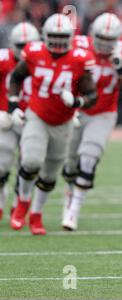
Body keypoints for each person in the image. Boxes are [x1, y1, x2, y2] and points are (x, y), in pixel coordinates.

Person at [8, 14, 97, 235]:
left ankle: (36, 216)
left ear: (70, 37)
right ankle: (22, 202)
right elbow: (16, 78)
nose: (57, 41)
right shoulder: (34, 53)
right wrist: (13, 106)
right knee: (30, 161)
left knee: (49, 174)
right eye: (53, 36)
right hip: (37, 115)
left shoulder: (79, 59)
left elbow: (92, 94)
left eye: (62, 36)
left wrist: (77, 102)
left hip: (64, 121)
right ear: (45, 36)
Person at [61, 13, 122, 231]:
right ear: (92, 33)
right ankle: (70, 195)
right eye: (101, 39)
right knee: (70, 164)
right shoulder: (78, 45)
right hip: (77, 110)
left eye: (109, 40)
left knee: (89, 156)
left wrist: (121, 69)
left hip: (104, 112)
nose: (104, 45)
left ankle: (74, 209)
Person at [0, 22, 39, 221]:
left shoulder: (43, 59)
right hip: (6, 116)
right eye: (20, 45)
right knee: (1, 163)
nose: (24, 50)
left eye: (28, 45)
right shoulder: (3, 59)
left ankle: (19, 203)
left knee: (28, 163)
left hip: (33, 118)